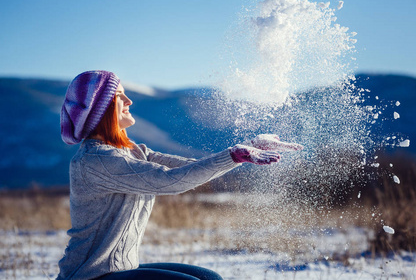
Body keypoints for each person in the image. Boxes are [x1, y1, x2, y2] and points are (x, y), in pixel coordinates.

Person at [57, 70, 302, 280]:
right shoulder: (97, 160)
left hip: (120, 270)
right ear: (102, 110)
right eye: (120, 96)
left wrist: (249, 146)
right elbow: (171, 181)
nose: (129, 100)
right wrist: (235, 155)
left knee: (209, 278)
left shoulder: (132, 152)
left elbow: (191, 168)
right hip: (90, 275)